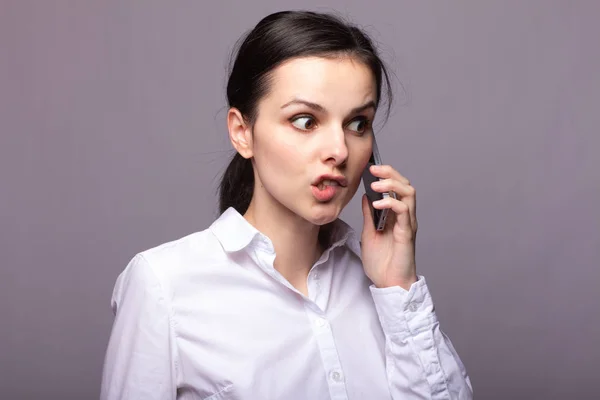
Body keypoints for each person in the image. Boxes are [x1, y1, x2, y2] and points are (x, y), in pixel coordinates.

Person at [100, 10, 473, 400]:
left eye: (358, 123)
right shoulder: (164, 285)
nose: (339, 150)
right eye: (305, 121)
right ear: (242, 133)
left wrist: (398, 286)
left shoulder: (381, 286)